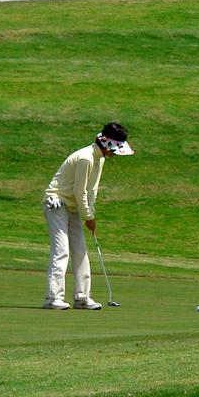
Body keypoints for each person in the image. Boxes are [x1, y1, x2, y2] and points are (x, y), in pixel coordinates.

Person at [42, 122, 134, 310]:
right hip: (56, 202)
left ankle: (82, 297)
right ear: (108, 144)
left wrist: (90, 214)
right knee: (62, 250)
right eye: (116, 148)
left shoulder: (100, 158)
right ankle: (53, 298)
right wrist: (88, 217)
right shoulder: (86, 158)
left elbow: (91, 191)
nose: (116, 153)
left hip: (73, 206)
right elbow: (79, 191)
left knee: (80, 250)